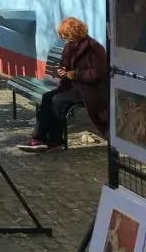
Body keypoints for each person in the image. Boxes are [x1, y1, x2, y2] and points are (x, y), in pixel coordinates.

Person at [18, 17, 109, 152]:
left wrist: (76, 74)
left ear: (75, 33)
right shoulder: (69, 46)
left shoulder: (93, 47)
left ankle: (55, 139)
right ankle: (40, 137)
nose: (64, 39)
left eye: (66, 36)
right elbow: (64, 66)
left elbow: (98, 73)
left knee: (57, 100)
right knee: (47, 97)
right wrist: (61, 71)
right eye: (62, 37)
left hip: (90, 90)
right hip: (72, 86)